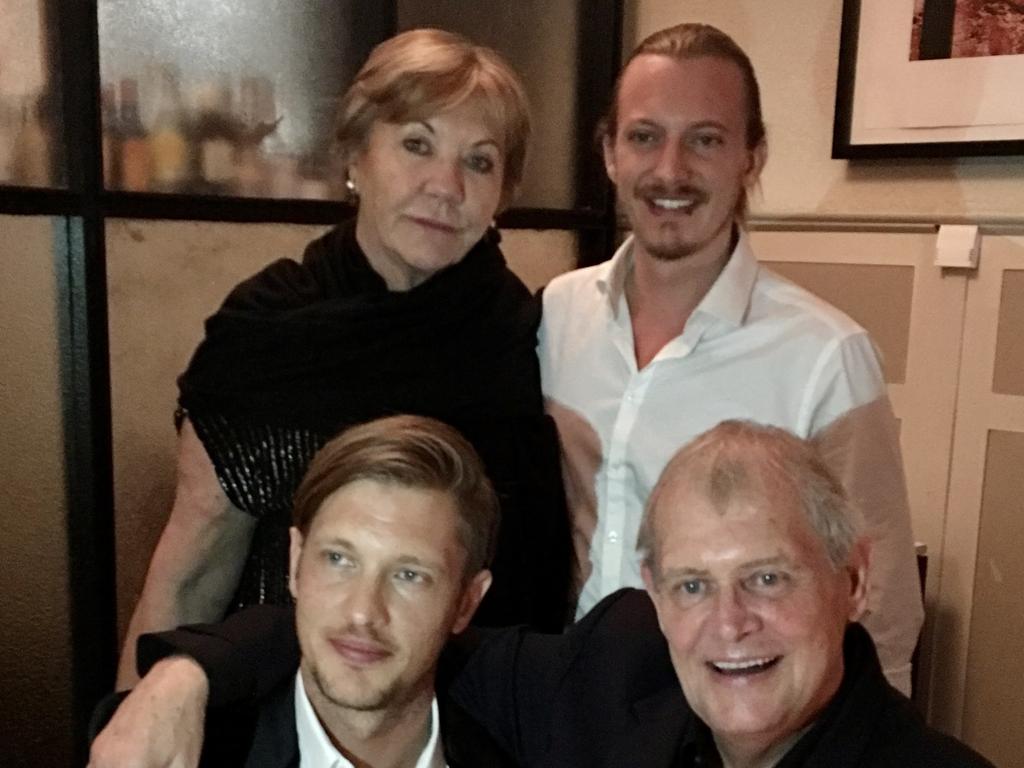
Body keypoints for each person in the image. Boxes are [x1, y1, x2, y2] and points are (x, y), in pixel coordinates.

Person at [90, 421, 992, 767]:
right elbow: (360, 644)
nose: (728, 624)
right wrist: (186, 678)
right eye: (691, 583)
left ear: (856, 580)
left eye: (767, 576)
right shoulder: (620, 682)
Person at [116, 28, 572, 688]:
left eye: (479, 162)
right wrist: (132, 720)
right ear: (355, 154)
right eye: (417, 144)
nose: (446, 185)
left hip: (475, 709)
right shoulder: (268, 331)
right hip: (277, 699)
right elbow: (193, 569)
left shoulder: (525, 336)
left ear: (503, 191)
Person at [537, 22, 923, 692]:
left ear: (752, 156)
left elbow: (882, 609)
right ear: (609, 153)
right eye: (644, 136)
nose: (669, 171)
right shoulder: (555, 315)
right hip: (568, 713)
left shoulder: (825, 356)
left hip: (730, 722)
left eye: (706, 140)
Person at [94, 415, 516, 766]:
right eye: (338, 560)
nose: (363, 612)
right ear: (295, 561)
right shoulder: (169, 748)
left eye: (409, 575)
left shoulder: (520, 749)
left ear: (467, 600)